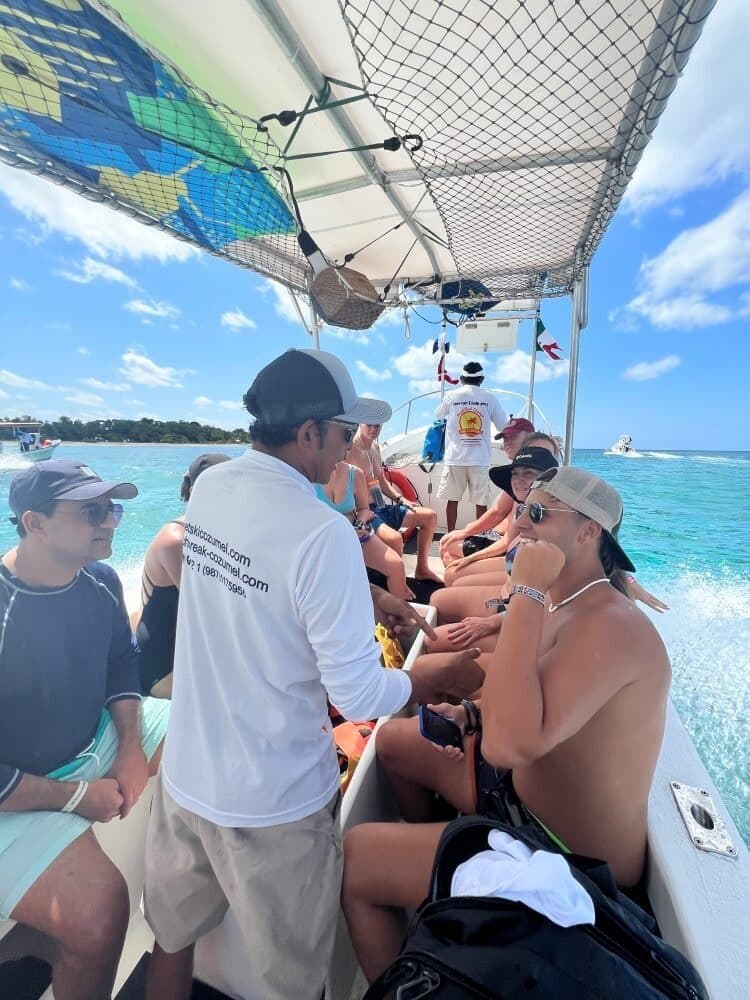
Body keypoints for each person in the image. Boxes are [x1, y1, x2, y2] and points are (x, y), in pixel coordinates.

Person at [143, 349, 485, 1000]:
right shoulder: (320, 533)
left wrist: (366, 595)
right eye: (344, 432)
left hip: (188, 777)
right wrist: (428, 678)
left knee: (171, 938)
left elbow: (254, 586)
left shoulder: (212, 489)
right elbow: (357, 696)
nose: (349, 448)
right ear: (308, 433)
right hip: (273, 804)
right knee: (295, 985)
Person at [342, 467, 671, 982]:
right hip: (520, 801)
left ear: (588, 532)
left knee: (357, 858)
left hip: (569, 860)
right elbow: (527, 694)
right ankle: (438, 892)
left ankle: (420, 968)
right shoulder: (568, 598)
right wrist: (470, 712)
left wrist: (528, 592)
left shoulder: (610, 624)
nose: (520, 524)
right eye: (522, 510)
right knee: (395, 742)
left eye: (538, 513)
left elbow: (505, 745)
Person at [0, 460, 169, 1000]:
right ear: (35, 524)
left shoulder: (100, 580)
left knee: (204, 738)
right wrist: (76, 798)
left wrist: (130, 749)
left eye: (112, 508)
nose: (111, 521)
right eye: (92, 511)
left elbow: (120, 662)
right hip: (11, 793)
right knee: (101, 912)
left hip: (89, 744)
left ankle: (181, 909)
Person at [136, 452, 231, 697]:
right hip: (164, 667)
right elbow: (214, 611)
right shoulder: (176, 540)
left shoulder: (221, 535)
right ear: (192, 491)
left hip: (191, 654)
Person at [350, 422, 442, 584]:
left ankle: (422, 569)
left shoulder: (375, 447)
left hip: (382, 506)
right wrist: (356, 515)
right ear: (360, 423)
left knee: (429, 516)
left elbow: (381, 481)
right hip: (364, 511)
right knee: (395, 539)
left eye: (377, 425)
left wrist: (401, 499)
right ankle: (395, 582)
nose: (373, 429)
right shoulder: (349, 449)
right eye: (369, 425)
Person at [315, 460, 415, 600]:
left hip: (354, 532)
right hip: (323, 541)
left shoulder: (355, 473)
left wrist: (359, 524)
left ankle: (399, 610)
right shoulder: (307, 476)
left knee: (396, 566)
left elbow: (363, 509)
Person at [435, 361, 508, 531]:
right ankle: (480, 537)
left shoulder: (452, 396)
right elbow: (503, 426)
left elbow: (438, 414)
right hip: (480, 459)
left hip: (455, 458)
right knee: (481, 503)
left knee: (452, 500)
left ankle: (450, 534)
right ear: (481, 379)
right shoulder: (490, 398)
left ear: (461, 379)